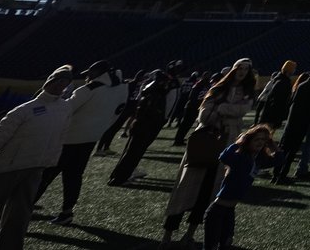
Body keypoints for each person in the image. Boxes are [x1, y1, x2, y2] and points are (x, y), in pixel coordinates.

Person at [0, 66, 73, 250]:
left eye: (64, 84)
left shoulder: (64, 108)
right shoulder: (23, 111)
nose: (59, 86)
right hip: (5, 169)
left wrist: (49, 163)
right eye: (57, 81)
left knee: (19, 218)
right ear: (49, 81)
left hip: (34, 169)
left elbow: (60, 137)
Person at [161, 58, 255, 248]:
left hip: (227, 143)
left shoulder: (247, 93)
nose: (242, 71)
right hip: (205, 141)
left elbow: (243, 110)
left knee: (208, 191)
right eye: (239, 67)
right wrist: (221, 113)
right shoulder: (218, 88)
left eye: (246, 69)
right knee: (186, 187)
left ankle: (190, 233)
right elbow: (204, 114)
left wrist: (221, 109)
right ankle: (167, 235)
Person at [35, 61, 129, 225]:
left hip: (68, 139)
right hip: (90, 139)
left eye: (91, 73)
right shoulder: (122, 88)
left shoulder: (89, 89)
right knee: (74, 176)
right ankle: (67, 212)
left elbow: (65, 110)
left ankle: (21, 208)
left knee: (45, 174)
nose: (87, 76)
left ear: (99, 72)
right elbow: (116, 114)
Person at [201, 124, 277, 250]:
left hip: (229, 211)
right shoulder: (240, 157)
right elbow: (224, 157)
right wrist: (238, 143)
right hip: (217, 211)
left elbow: (278, 160)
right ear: (249, 141)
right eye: (257, 139)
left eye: (263, 140)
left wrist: (273, 146)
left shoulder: (257, 161)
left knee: (226, 244)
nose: (260, 142)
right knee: (211, 246)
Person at [108, 67, 172, 185]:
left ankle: (118, 176)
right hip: (145, 128)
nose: (166, 85)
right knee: (133, 154)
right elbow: (153, 113)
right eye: (165, 82)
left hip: (140, 126)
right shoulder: (155, 94)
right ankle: (120, 179)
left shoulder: (150, 91)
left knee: (130, 153)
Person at [253, 61, 295, 130]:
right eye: (293, 70)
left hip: (272, 114)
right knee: (265, 132)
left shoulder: (280, 80)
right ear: (289, 71)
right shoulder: (282, 82)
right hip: (273, 115)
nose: (294, 71)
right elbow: (277, 101)